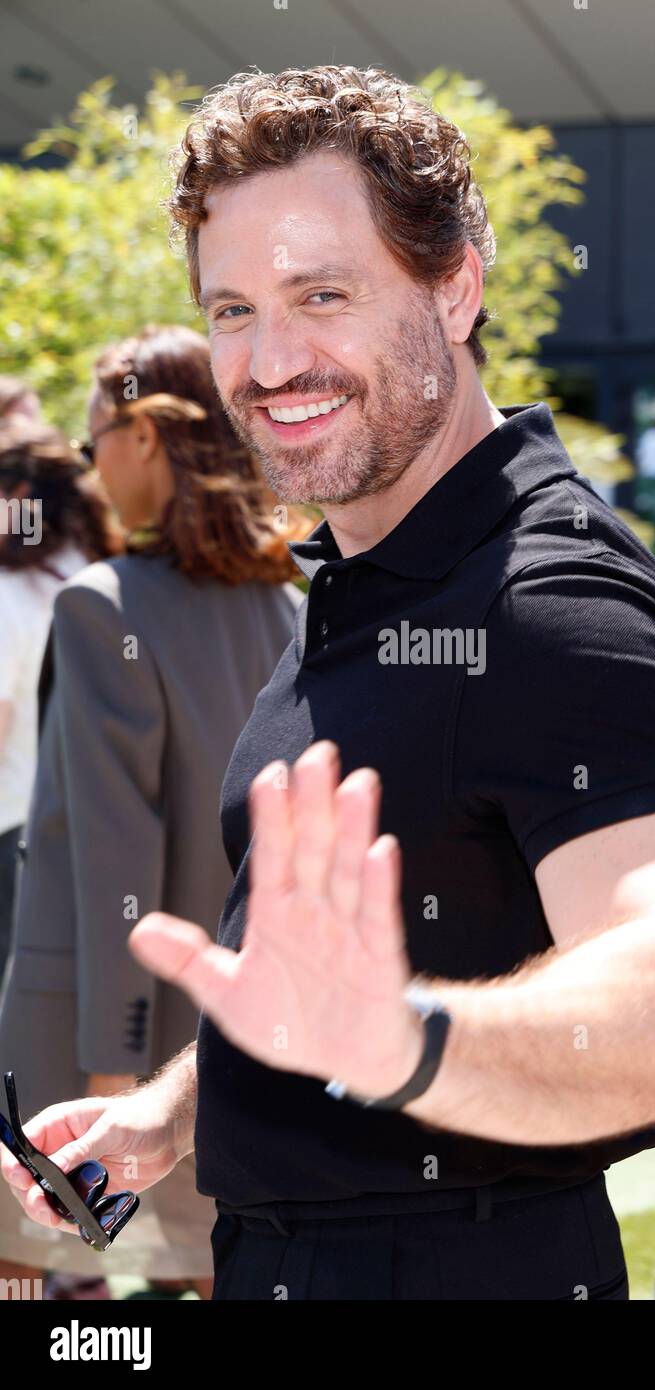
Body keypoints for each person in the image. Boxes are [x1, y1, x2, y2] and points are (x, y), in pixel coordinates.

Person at [2, 66, 655, 1303]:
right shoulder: (369, 569)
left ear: (455, 285)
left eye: (324, 294)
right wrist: (178, 1107)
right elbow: (342, 967)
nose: (270, 359)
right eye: (234, 309)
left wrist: (399, 1042)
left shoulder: (548, 597)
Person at [0, 324, 305, 1300]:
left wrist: (109, 1080)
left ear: (144, 436)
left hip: (102, 1043)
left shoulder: (104, 605)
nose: (88, 466)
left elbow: (110, 861)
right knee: (223, 1271)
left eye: (96, 439)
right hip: (244, 1035)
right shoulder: (300, 603)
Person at [0, 419, 119, 975]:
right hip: (89, 819)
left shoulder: (10, 592)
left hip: (13, 828)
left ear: (20, 495)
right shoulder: (99, 567)